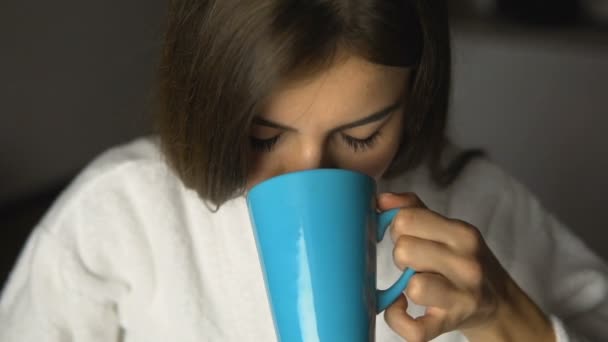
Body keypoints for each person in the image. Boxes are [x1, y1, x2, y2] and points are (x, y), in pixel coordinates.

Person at [1, 0, 607, 341]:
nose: (307, 172)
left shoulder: (478, 204)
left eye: (361, 135)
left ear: (414, 98)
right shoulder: (120, 213)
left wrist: (505, 315)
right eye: (263, 136)